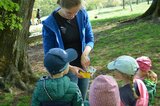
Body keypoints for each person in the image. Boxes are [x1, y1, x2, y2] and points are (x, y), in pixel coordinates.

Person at [42, 0, 94, 100]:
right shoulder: (50, 24)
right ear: (60, 6)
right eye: (69, 13)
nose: (73, 16)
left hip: (83, 66)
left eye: (76, 11)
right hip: (65, 70)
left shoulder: (82, 13)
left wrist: (85, 54)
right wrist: (69, 67)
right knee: (71, 100)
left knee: (82, 97)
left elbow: (90, 39)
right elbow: (49, 55)